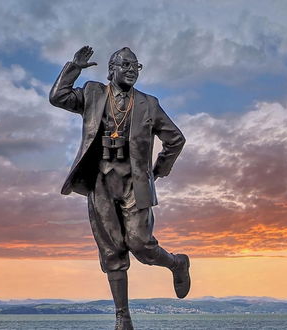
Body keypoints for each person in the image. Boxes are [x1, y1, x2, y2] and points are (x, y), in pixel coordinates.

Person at [49, 45, 190, 330]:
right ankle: (122, 317)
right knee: (111, 250)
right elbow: (58, 97)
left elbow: (176, 139)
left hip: (134, 183)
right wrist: (73, 68)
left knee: (140, 244)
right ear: (111, 69)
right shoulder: (92, 93)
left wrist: (158, 171)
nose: (131, 71)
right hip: (100, 181)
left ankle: (176, 264)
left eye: (135, 67)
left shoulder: (148, 104)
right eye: (126, 66)